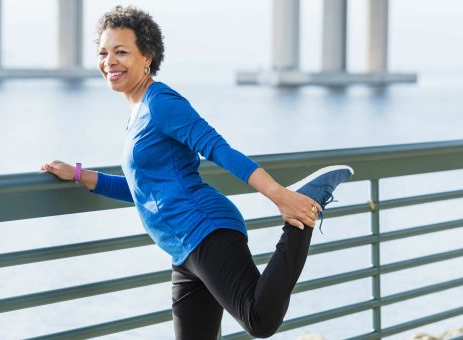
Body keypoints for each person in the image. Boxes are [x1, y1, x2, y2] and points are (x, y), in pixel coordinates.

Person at [40, 5, 353, 339]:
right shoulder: (137, 112)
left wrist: (279, 195)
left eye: (121, 51)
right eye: (103, 52)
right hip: (182, 251)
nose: (109, 61)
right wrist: (78, 174)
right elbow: (142, 190)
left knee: (259, 320)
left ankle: (302, 216)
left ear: (147, 56)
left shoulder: (161, 102)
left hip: (205, 230)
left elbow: (217, 148)